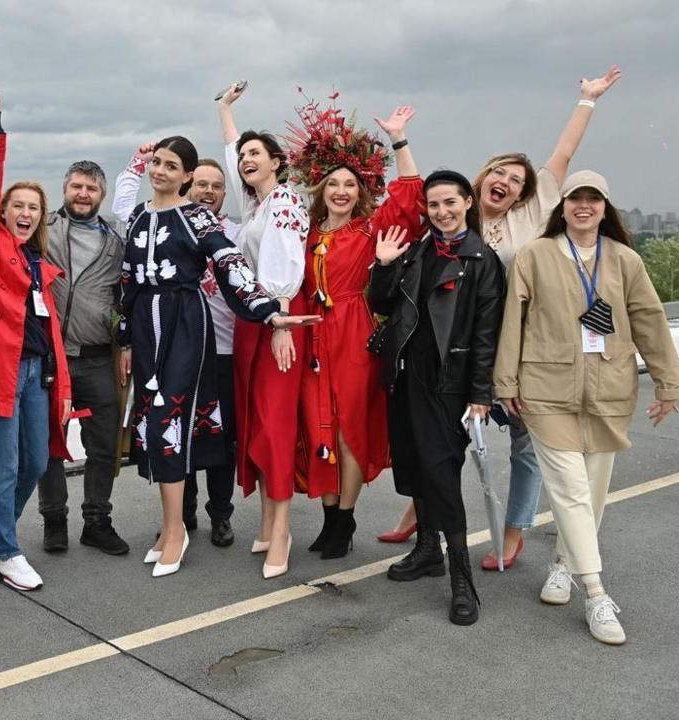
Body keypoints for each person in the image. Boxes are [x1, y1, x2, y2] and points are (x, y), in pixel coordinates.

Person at [384, 66, 624, 567]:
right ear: (482, 180)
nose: (507, 182)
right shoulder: (456, 215)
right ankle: (420, 514)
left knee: (524, 442)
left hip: (518, 344)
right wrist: (400, 140)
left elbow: (562, 156)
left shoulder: (532, 215)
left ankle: (513, 530)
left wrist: (588, 100)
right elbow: (420, 191)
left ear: (524, 192)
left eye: (517, 180)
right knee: (437, 439)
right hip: (455, 348)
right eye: (500, 173)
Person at [494, 171, 679, 645]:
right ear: (563, 206)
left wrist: (668, 384)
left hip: (609, 388)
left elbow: (650, 321)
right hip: (545, 388)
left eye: (592, 199)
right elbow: (512, 320)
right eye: (575, 198)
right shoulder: (534, 256)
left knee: (592, 491)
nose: (583, 205)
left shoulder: (624, 260)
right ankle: (597, 593)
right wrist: (506, 382)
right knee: (572, 487)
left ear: (605, 207)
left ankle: (563, 565)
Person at [114, 135, 315, 578]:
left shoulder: (198, 218)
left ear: (187, 177)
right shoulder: (138, 219)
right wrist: (126, 339)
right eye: (157, 163)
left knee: (170, 417)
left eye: (171, 166)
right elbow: (127, 281)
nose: (160, 171)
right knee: (152, 420)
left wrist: (269, 311)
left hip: (186, 323)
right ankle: (171, 530)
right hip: (147, 328)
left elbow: (230, 264)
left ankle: (176, 532)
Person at [0, 125, 128, 557]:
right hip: (48, 360)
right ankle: (53, 522)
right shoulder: (41, 231)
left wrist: (126, 343)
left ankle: (97, 520)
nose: (83, 194)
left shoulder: (116, 242)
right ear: (64, 190)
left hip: (95, 357)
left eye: (91, 188)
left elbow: (128, 296)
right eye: (76, 186)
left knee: (103, 444)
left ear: (101, 195)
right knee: (47, 448)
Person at [280, 90, 425, 561]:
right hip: (312, 335)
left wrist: (399, 141)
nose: (341, 191)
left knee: (348, 430)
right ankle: (328, 520)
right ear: (320, 191)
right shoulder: (305, 232)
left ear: (360, 192)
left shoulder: (368, 230)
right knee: (315, 428)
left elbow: (408, 200)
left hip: (353, 333)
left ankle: (344, 517)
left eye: (349, 185)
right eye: (332, 185)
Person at [368, 170, 505, 626]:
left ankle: (461, 578)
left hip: (448, 382)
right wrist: (385, 265)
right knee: (410, 464)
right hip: (405, 375)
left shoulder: (482, 260)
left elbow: (487, 333)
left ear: (468, 202)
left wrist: (481, 393)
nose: (442, 212)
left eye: (451, 202)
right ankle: (427, 550)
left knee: (442, 473)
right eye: (434, 205)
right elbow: (383, 306)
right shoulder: (418, 250)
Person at [0, 81, 74, 592]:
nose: (25, 212)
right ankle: (7, 549)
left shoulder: (38, 262)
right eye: (17, 205)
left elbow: (48, 327)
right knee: (3, 466)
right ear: (2, 212)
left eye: (34, 208)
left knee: (38, 460)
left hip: (36, 374)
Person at [113, 155, 240, 547]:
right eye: (202, 184)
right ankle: (179, 520)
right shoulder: (153, 220)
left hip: (222, 348)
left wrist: (271, 313)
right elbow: (129, 264)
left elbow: (240, 271)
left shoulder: (231, 229)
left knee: (215, 436)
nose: (209, 191)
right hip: (167, 343)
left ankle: (220, 515)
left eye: (217, 185)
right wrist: (127, 339)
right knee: (168, 425)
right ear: (189, 184)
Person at [214, 84, 311, 578]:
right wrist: (225, 111)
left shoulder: (286, 201)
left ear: (278, 161)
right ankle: (268, 520)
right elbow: (234, 163)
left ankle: (283, 530)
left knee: (275, 425)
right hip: (254, 321)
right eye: (245, 155)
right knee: (255, 422)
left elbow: (284, 267)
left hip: (278, 318)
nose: (247, 160)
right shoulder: (255, 203)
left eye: (257, 153)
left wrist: (280, 321)